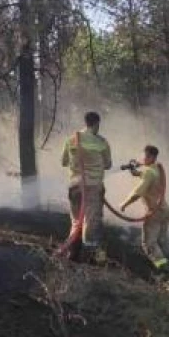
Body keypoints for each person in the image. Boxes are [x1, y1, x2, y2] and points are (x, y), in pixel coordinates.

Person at [60, 112, 112, 262]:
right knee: (92, 222)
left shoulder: (71, 140)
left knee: (76, 221)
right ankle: (91, 259)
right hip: (93, 187)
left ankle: (72, 255)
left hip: (75, 186)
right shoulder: (102, 142)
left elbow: (63, 162)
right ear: (96, 124)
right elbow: (108, 164)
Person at [119, 145, 169, 272]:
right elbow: (145, 175)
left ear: (151, 157)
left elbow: (137, 193)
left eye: (144, 155)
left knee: (149, 244)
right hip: (165, 211)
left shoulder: (149, 172)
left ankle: (163, 269)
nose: (142, 158)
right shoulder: (157, 168)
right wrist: (134, 171)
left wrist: (124, 204)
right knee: (161, 240)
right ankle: (167, 260)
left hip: (154, 213)